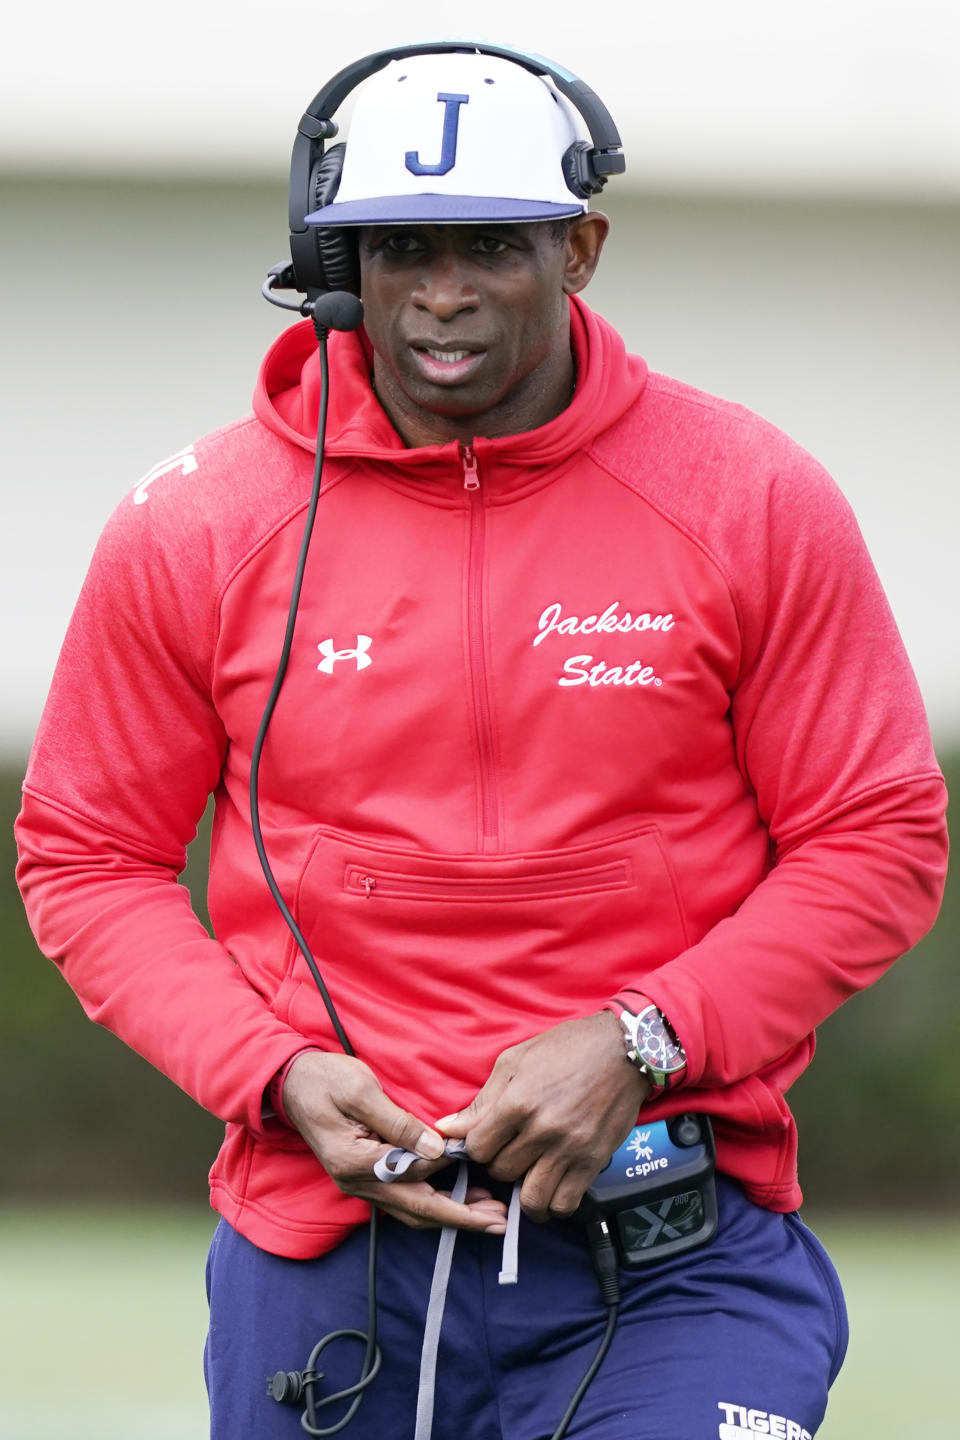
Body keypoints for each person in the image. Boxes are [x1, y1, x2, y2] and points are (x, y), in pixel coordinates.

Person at [15, 42, 948, 1440]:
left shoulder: (751, 495)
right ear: (333, 266)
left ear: (579, 248)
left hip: (674, 1249)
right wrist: (264, 1069)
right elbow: (87, 857)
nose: (442, 292)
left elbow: (877, 838)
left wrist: (643, 1038)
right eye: (397, 249)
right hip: (325, 1253)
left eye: (491, 248)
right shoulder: (195, 523)